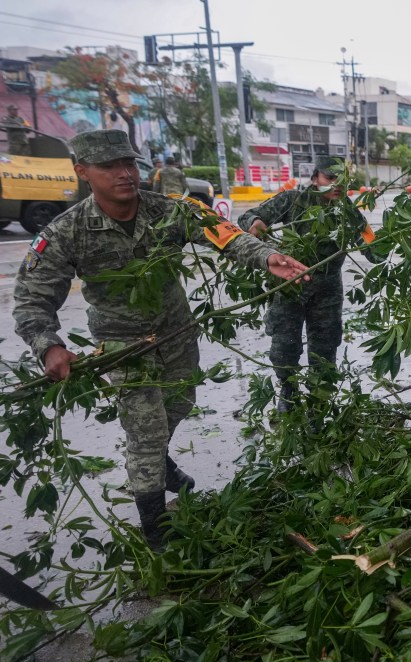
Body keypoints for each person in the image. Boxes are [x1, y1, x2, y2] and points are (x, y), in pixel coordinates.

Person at [12, 130, 311, 549]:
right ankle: (155, 527)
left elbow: (222, 233)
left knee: (180, 401)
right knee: (146, 430)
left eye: (128, 164)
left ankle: (161, 463)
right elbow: (31, 298)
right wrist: (49, 345)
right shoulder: (66, 231)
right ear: (83, 171)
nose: (123, 174)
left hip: (176, 332)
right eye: (109, 167)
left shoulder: (168, 210)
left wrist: (267, 257)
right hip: (122, 347)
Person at [240, 156, 381, 412]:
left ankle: (319, 400)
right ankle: (288, 389)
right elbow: (250, 216)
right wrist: (255, 225)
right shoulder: (292, 200)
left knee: (325, 348)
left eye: (342, 179)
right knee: (284, 346)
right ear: (316, 177)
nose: (336, 184)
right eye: (330, 178)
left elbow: (369, 245)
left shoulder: (347, 209)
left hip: (328, 289)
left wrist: (390, 240)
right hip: (291, 285)